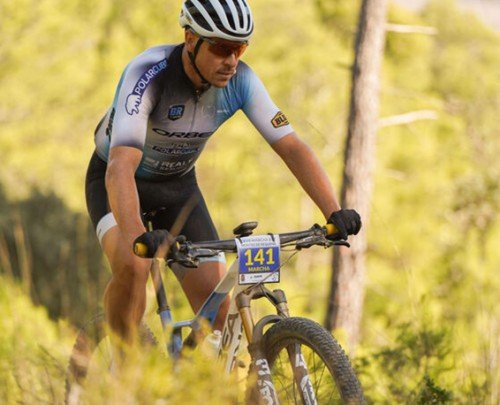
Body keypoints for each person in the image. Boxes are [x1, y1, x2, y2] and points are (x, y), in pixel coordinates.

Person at [85, 0, 361, 343]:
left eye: (239, 48)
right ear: (190, 40)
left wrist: (333, 211)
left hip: (177, 188)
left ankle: (206, 373)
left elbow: (291, 146)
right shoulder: (148, 74)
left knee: (217, 313)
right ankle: (125, 366)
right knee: (134, 265)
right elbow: (120, 166)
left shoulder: (242, 80)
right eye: (220, 48)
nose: (231, 61)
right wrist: (137, 235)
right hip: (117, 181)